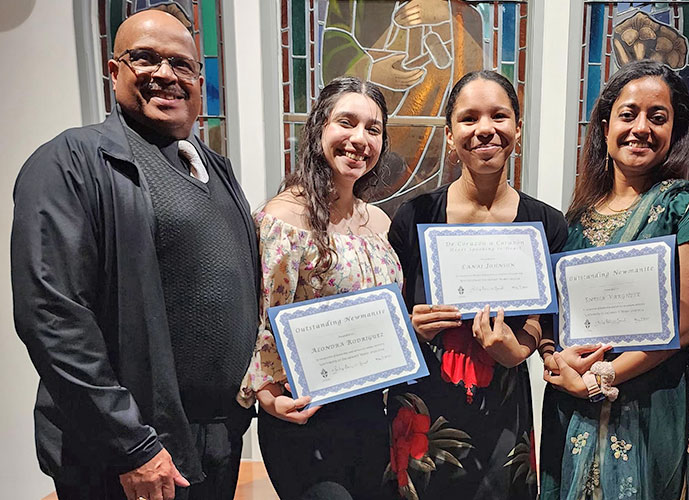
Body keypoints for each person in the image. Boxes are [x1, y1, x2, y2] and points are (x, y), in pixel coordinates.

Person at [11, 9, 258, 500]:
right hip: (131, 453)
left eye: (181, 64)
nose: (166, 74)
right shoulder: (71, 161)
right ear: (114, 70)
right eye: (145, 58)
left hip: (216, 439)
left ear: (199, 78)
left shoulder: (215, 168)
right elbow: (53, 316)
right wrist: (131, 445)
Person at [539, 60, 689, 500]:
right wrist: (555, 359)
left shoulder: (688, 207)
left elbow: (681, 328)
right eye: (628, 115)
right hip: (571, 409)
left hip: (646, 405)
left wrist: (599, 378)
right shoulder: (575, 219)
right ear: (605, 128)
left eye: (657, 117)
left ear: (674, 132)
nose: (641, 128)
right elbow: (554, 318)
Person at [384, 70, 568, 499]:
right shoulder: (413, 217)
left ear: (517, 129)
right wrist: (411, 327)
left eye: (499, 116)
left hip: (503, 405)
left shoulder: (546, 224)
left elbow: (545, 318)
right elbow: (388, 318)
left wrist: (520, 348)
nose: (485, 129)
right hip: (424, 410)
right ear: (450, 135)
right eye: (469, 118)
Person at [237, 76, 400, 499]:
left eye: (373, 129)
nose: (359, 139)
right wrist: (269, 396)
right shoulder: (283, 218)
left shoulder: (380, 223)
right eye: (346, 122)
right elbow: (260, 319)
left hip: (371, 415)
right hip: (306, 417)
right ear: (318, 129)